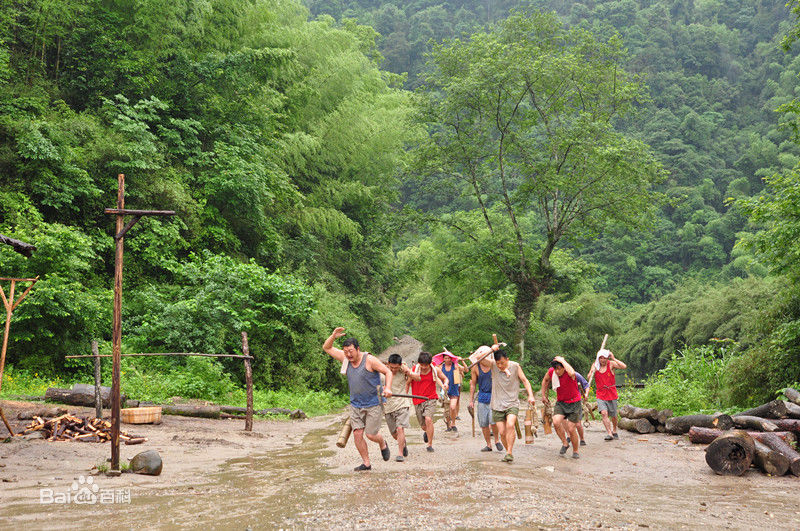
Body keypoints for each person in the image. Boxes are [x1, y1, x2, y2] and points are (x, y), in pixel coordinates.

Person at [323, 327, 393, 471]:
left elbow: (388, 371)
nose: (348, 354)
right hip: (356, 404)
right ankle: (366, 463)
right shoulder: (345, 359)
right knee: (357, 434)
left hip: (374, 403)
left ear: (358, 349)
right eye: (346, 351)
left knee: (371, 434)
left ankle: (382, 443)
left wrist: (387, 388)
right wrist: (333, 336)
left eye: (351, 351)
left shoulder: (369, 360)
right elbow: (327, 347)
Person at [487, 344, 536, 463]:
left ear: (507, 359)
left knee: (510, 425)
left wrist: (530, 395)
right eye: (498, 363)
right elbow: (477, 358)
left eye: (502, 363)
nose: (500, 366)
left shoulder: (515, 366)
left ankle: (509, 452)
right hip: (497, 404)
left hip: (512, 403)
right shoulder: (493, 365)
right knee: (502, 432)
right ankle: (508, 452)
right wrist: (491, 350)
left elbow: (525, 381)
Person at [541, 356, 582, 459]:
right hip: (561, 402)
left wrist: (562, 360)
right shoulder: (552, 372)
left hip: (574, 402)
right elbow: (545, 380)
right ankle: (565, 443)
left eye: (559, 368)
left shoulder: (569, 372)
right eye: (556, 369)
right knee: (556, 422)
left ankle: (575, 450)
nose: (557, 371)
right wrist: (543, 395)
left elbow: (572, 373)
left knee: (571, 428)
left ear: (564, 367)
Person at [409, 351, 448, 452]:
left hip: (431, 398)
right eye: (421, 364)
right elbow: (407, 382)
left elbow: (444, 379)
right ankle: (427, 432)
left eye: (426, 365)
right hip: (417, 399)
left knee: (428, 419)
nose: (423, 367)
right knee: (423, 426)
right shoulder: (414, 370)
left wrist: (445, 384)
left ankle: (429, 444)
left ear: (430, 363)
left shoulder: (435, 370)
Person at [383, 353, 419, 462]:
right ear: (388, 364)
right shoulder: (383, 371)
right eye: (392, 367)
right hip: (388, 406)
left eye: (396, 368)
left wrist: (408, 372)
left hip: (402, 403)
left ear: (399, 365)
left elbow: (418, 378)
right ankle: (403, 444)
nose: (394, 370)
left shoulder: (404, 370)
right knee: (395, 434)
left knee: (400, 428)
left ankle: (400, 454)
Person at [585, 348, 627, 440]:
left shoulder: (611, 364)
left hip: (611, 393)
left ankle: (614, 430)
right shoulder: (595, 365)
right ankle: (609, 433)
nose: (602, 360)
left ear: (607, 358)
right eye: (601, 358)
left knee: (614, 415)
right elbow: (589, 377)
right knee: (604, 413)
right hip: (600, 393)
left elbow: (624, 366)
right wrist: (592, 371)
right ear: (598, 358)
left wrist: (613, 358)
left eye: (604, 358)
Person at [468, 346, 503, 452]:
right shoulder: (475, 367)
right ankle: (488, 444)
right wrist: (471, 400)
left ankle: (497, 440)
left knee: (493, 421)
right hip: (482, 397)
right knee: (483, 423)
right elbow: (473, 384)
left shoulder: (494, 365)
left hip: (494, 396)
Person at [439, 352, 468, 432]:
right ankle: (448, 425)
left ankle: (453, 423)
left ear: (451, 358)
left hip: (454, 389)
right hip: (445, 391)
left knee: (452, 407)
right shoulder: (441, 367)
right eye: (445, 358)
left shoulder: (455, 366)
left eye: (449, 358)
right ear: (443, 359)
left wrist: (462, 361)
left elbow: (466, 370)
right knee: (447, 410)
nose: (447, 360)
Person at [565, 371, 589, 447]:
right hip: (565, 401)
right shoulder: (559, 375)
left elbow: (586, 385)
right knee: (565, 421)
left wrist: (586, 394)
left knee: (578, 424)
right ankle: (569, 436)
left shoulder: (576, 375)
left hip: (576, 401)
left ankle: (582, 439)